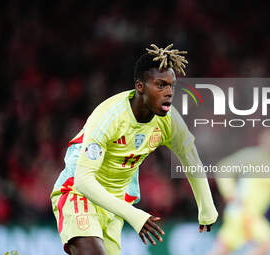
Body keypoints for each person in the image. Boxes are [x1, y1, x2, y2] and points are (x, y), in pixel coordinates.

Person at [50, 44, 218, 255]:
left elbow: (191, 159)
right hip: (79, 194)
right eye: (160, 85)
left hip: (114, 203)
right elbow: (83, 180)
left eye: (171, 86)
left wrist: (206, 209)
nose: (168, 93)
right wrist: (136, 215)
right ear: (140, 86)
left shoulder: (169, 120)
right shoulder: (109, 117)